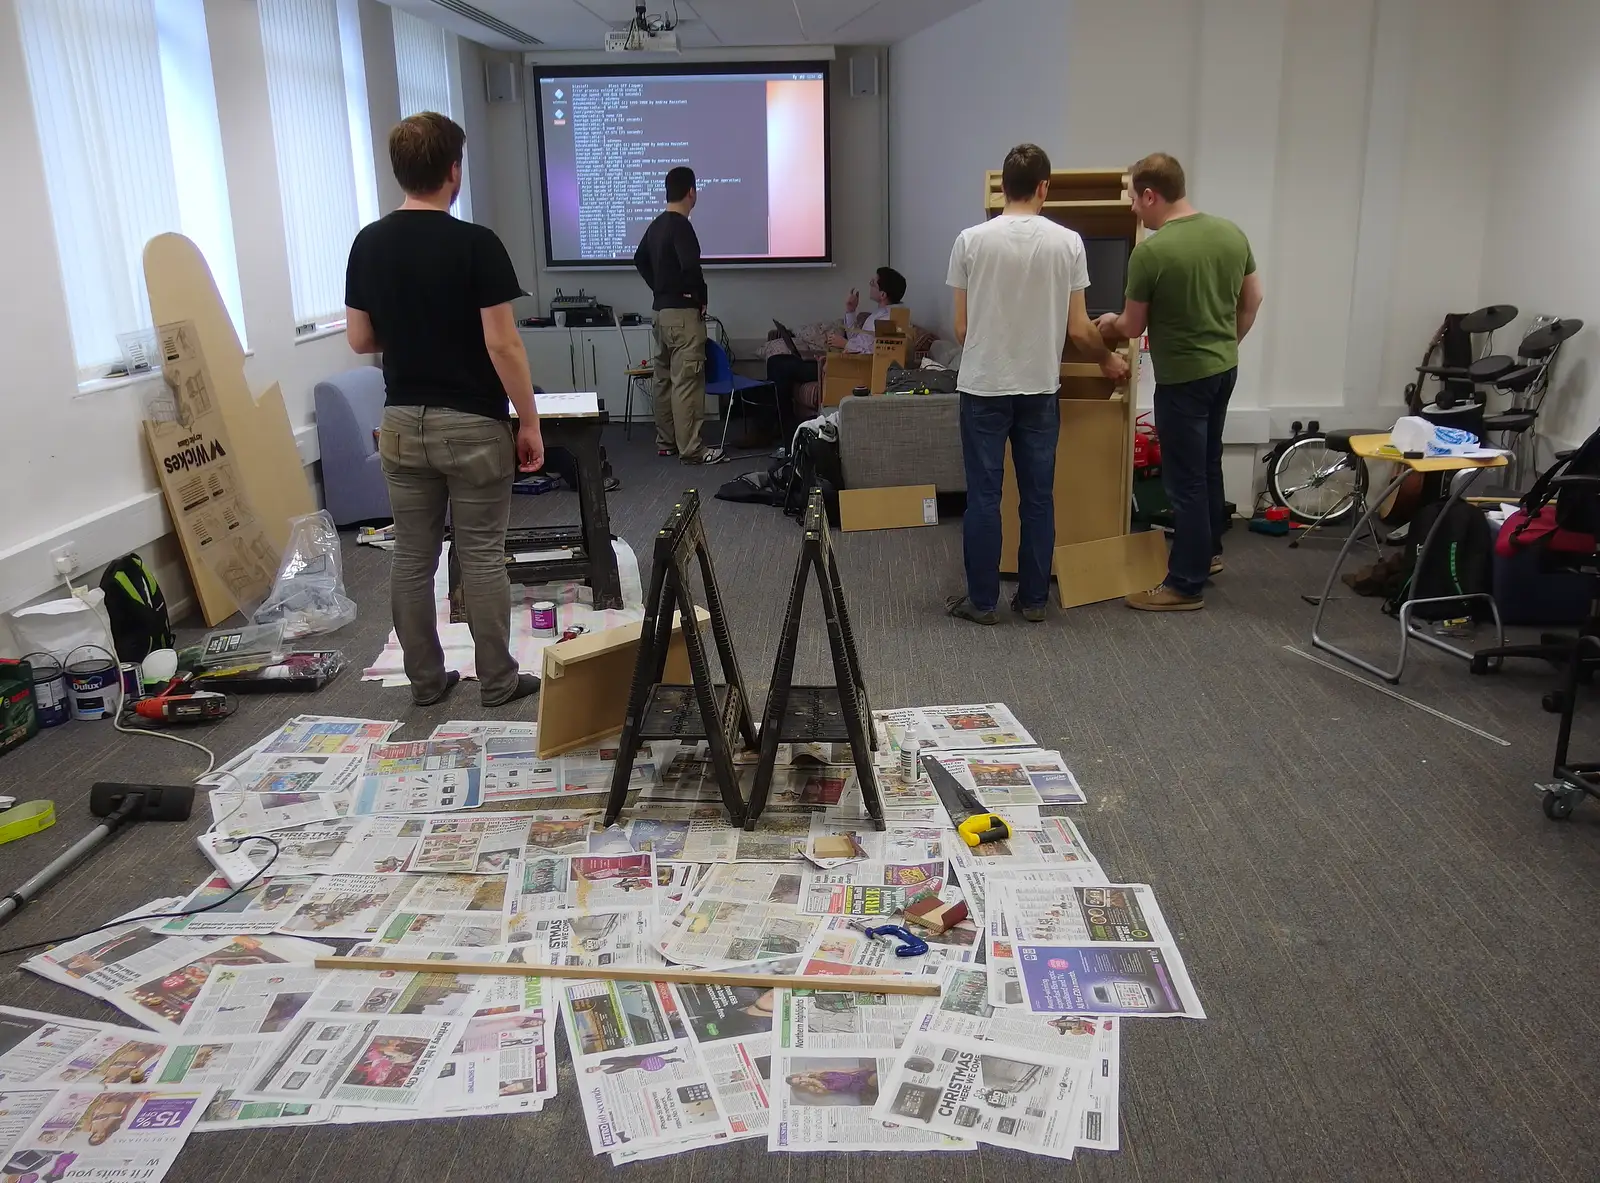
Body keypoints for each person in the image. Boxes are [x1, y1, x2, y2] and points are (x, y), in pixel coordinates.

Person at [345, 112, 544, 710]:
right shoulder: (475, 243)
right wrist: (529, 420)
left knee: (412, 554)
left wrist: (415, 332)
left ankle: (427, 682)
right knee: (481, 553)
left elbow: (360, 340)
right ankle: (499, 682)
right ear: (452, 171)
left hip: (403, 423)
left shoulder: (368, 242)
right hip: (472, 425)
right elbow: (502, 342)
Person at [945, 143, 1130, 625]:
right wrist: (1108, 359)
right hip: (1039, 387)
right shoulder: (1068, 243)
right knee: (1037, 497)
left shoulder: (969, 240)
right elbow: (1078, 330)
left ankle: (982, 603)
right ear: (1044, 187)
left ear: (1003, 187)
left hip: (983, 386)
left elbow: (962, 331)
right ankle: (1032, 601)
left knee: (984, 496)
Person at [1097, 152, 1262, 611]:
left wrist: (1106, 323)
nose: (1133, 207)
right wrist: (1229, 343)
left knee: (1184, 481)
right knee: (1207, 465)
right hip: (1222, 370)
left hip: (1184, 379)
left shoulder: (1151, 252)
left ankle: (1184, 585)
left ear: (1151, 195)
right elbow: (1254, 297)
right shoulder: (1230, 232)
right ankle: (1207, 554)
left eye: (1134, 198)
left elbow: (1131, 327)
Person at [634, 166, 723, 465]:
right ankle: (692, 449)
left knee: (664, 380)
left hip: (660, 312)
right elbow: (690, 265)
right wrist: (700, 298)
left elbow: (639, 259)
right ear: (692, 192)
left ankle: (667, 442)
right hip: (683, 314)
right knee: (687, 381)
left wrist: (660, 289)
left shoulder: (656, 225)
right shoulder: (682, 225)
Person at [766, 266, 910, 415]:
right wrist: (850, 310)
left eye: (873, 283)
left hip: (852, 368)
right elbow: (858, 338)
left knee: (778, 365)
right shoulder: (879, 314)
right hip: (847, 360)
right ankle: (779, 422)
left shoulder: (892, 319)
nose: (869, 284)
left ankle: (779, 425)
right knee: (779, 360)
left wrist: (845, 344)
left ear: (883, 294)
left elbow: (880, 353)